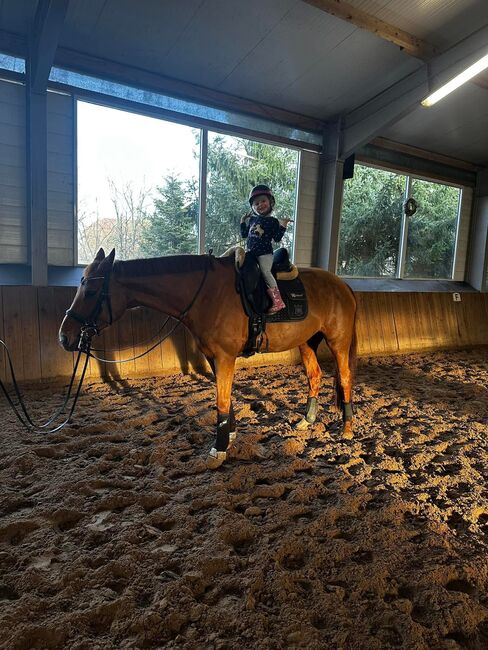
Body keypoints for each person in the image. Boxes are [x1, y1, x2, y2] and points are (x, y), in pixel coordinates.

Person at [240, 184, 291, 314]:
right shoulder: (252, 220)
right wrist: (242, 222)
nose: (260, 205)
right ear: (253, 207)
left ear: (270, 202)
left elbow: (277, 238)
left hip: (264, 254)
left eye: (263, 201)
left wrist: (283, 226)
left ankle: (278, 301)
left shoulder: (273, 221)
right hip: (251, 254)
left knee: (265, 272)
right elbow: (245, 234)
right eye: (256, 203)